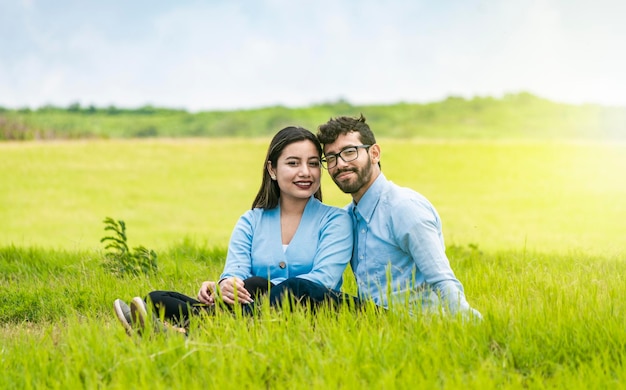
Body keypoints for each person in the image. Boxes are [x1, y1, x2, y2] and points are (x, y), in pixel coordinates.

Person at [113, 126, 354, 335]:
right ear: (272, 169)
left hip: (308, 312)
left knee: (271, 285)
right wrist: (227, 285)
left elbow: (324, 281)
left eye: (313, 164)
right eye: (293, 163)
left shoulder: (335, 220)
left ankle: (187, 331)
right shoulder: (251, 221)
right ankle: (194, 329)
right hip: (253, 309)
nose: (305, 172)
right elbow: (236, 269)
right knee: (158, 298)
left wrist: (259, 289)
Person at [312, 114, 482, 319]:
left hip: (415, 325)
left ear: (374, 153)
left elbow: (442, 279)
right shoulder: (347, 217)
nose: (340, 164)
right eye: (331, 158)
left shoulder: (404, 208)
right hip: (372, 327)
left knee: (301, 291)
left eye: (349, 152)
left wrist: (472, 327)